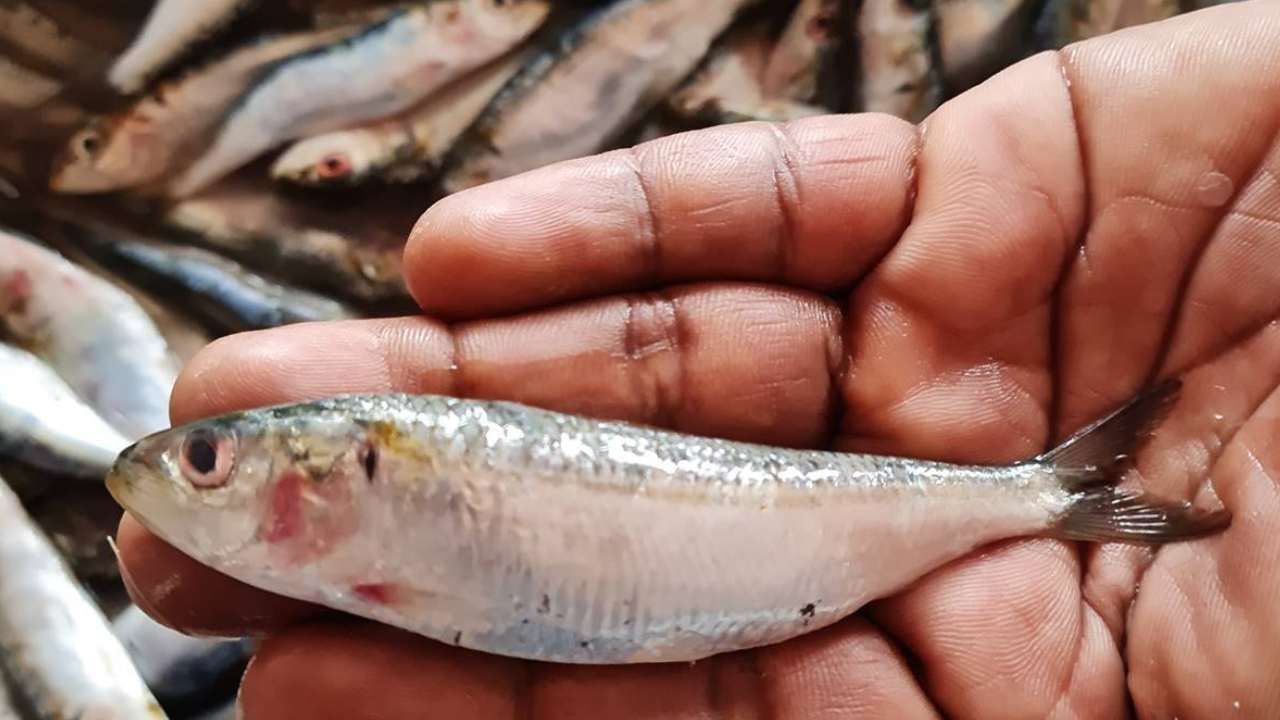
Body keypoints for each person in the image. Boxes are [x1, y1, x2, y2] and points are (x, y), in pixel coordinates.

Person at [115, 2, 1279, 717]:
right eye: (208, 461)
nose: (184, 474)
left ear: (329, 468)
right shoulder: (360, 508)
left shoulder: (383, 464)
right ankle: (1046, 495)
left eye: (210, 461)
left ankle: (1045, 495)